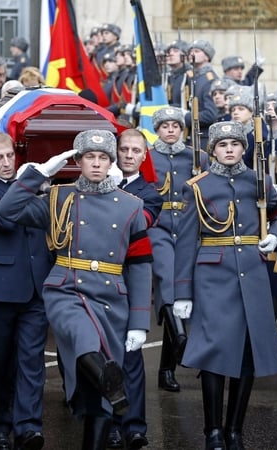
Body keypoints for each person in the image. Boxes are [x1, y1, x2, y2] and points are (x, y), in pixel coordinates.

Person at [0, 129, 153, 450]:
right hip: (67, 289)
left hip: (112, 297)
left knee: (97, 391)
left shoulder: (132, 207)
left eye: (103, 158)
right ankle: (112, 384)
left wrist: (139, 321)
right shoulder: (59, 198)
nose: (96, 164)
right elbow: (6, 212)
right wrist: (38, 173)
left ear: (111, 163)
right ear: (78, 161)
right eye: (89, 157)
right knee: (85, 340)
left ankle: (107, 398)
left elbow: (140, 266)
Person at [174, 121, 277, 450]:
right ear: (213, 150)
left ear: (245, 148)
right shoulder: (198, 186)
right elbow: (186, 241)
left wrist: (274, 234)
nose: (230, 149)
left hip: (252, 271)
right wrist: (182, 291)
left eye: (236, 143)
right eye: (223, 145)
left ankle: (235, 429)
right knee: (214, 351)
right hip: (213, 276)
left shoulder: (257, 181)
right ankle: (213, 431)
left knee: (248, 352)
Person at [0, 132, 53, 450]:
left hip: (35, 288)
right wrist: (34, 181)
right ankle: (0, 424)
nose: (6, 163)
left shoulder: (32, 190)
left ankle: (28, 426)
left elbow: (47, 218)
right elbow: (2, 216)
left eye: (9, 156)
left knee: (31, 362)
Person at [107, 129, 163, 450]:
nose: (128, 155)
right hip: (101, 281)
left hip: (129, 279)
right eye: (124, 149)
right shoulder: (100, 181)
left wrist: (110, 194)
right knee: (105, 357)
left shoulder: (150, 193)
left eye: (135, 151)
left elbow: (135, 224)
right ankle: (111, 423)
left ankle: (134, 426)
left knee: (131, 357)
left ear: (144, 156)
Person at [148, 107, 209, 394]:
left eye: (175, 125)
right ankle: (182, 341)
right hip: (158, 227)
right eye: (164, 126)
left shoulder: (197, 156)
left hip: (187, 228)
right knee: (168, 276)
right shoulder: (149, 156)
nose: (171, 130)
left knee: (178, 290)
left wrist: (202, 174)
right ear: (157, 129)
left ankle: (166, 369)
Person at [186, 40, 219, 150]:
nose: (192, 53)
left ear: (207, 57)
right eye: (190, 51)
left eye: (197, 51)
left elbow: (210, 114)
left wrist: (185, 117)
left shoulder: (210, 80)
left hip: (203, 138)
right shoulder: (193, 77)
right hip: (190, 135)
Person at [164, 39, 192, 109]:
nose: (170, 54)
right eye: (169, 51)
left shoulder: (189, 76)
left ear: (185, 56)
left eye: (175, 51)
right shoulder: (168, 76)